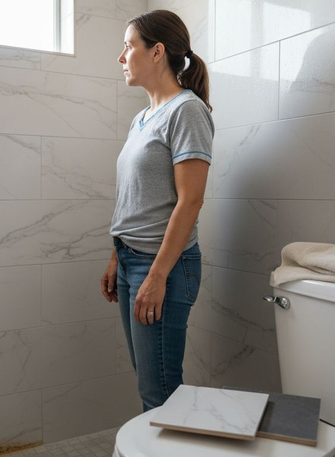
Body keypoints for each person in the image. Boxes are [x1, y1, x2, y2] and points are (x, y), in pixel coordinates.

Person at [100, 9, 214, 412]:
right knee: (150, 383)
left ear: (156, 52)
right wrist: (118, 255)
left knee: (159, 392)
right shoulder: (141, 119)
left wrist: (157, 275)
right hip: (133, 260)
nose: (121, 57)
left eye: (128, 45)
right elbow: (135, 196)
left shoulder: (187, 110)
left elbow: (191, 200)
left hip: (163, 265)